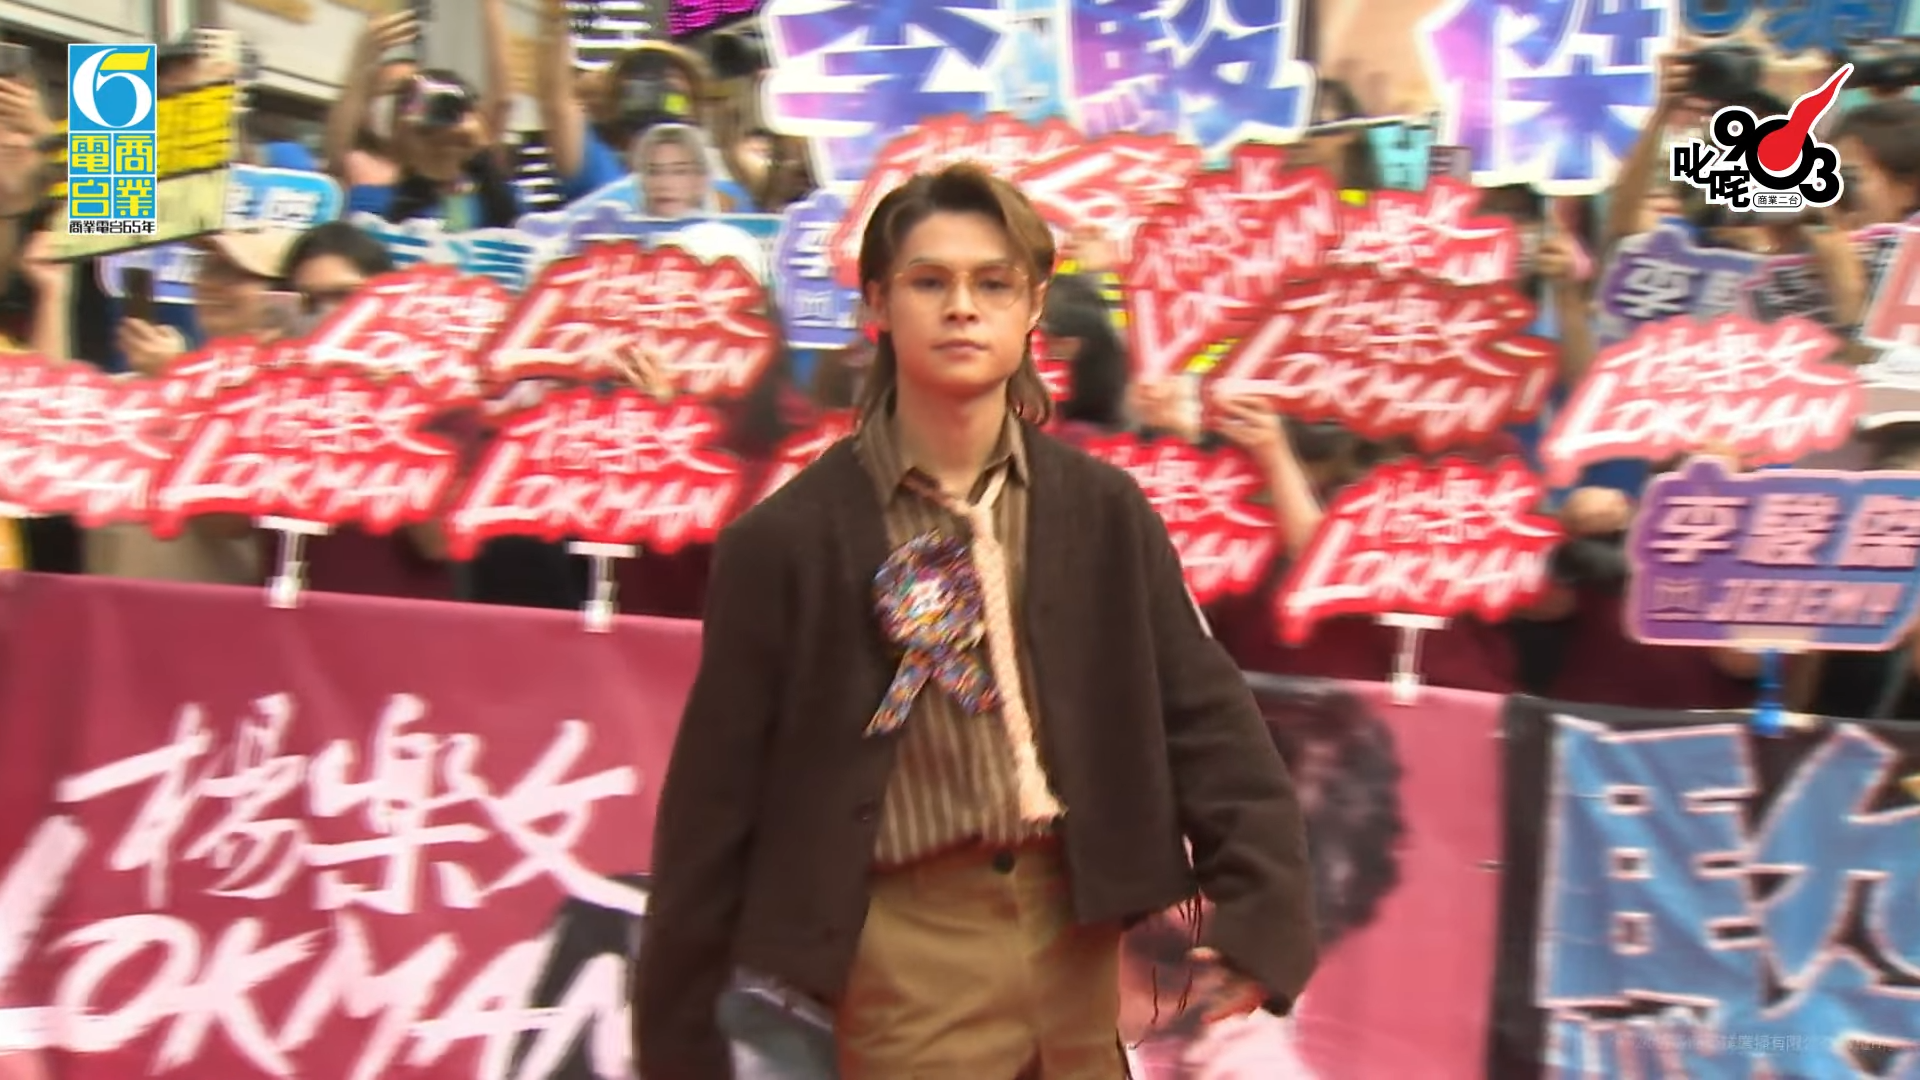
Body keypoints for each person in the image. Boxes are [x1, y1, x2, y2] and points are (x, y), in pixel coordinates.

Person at [635, 163, 1316, 1078]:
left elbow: (1206, 715)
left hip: (1077, 937)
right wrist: (678, 1038)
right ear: (878, 303)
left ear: (1033, 306)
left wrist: (1262, 912)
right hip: (902, 940)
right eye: (930, 281)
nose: (962, 307)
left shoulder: (1101, 510)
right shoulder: (788, 541)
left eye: (992, 283)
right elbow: (711, 808)